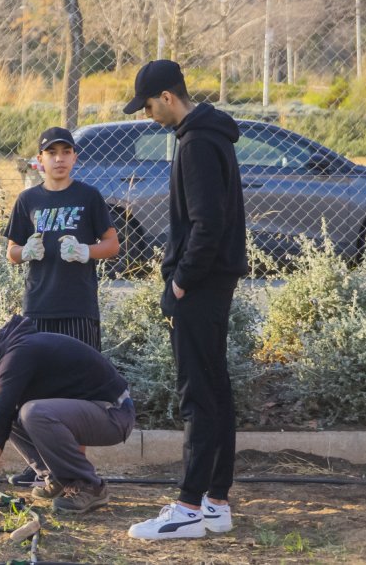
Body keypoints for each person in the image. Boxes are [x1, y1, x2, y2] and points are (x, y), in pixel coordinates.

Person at [122, 60, 248, 540]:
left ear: (168, 98)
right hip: (215, 283)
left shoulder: (195, 144)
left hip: (199, 285)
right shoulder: (211, 135)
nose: (148, 114)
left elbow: (206, 224)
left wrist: (181, 281)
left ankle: (189, 507)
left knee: (197, 394)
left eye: (149, 105)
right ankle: (216, 502)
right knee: (216, 389)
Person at [0, 316, 134, 514]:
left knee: (34, 413)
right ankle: (58, 477)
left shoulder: (19, 353)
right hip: (91, 411)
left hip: (114, 412)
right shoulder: (12, 354)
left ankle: (89, 486)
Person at [3, 126, 120, 350]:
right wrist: (25, 251)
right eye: (51, 152)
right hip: (38, 306)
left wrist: (86, 251)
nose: (59, 159)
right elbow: (11, 252)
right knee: (41, 377)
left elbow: (112, 245)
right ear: (40, 159)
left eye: (66, 152)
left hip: (78, 306)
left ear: (74, 157)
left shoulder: (89, 196)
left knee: (81, 375)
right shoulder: (28, 199)